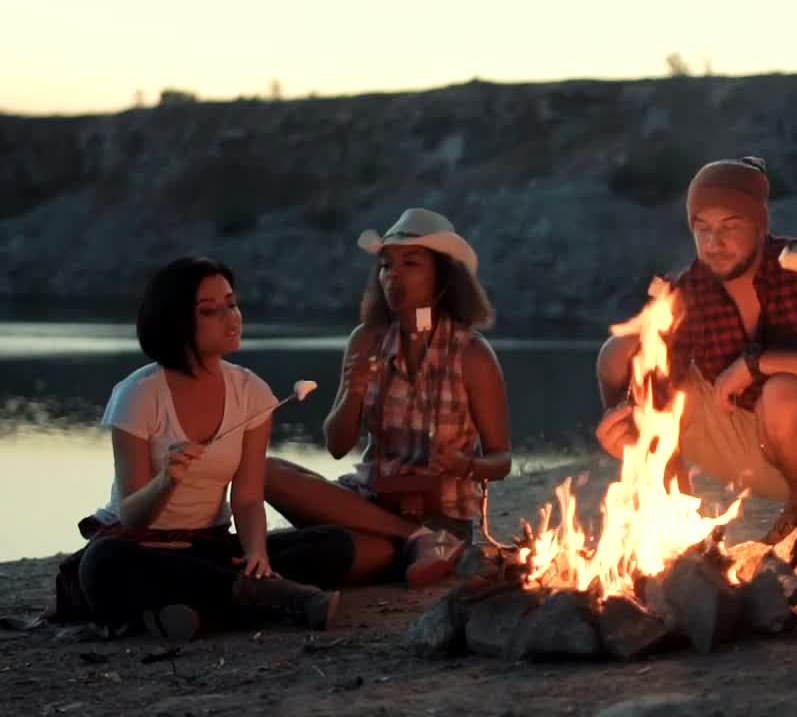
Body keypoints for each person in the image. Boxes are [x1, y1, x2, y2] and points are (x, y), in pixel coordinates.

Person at [595, 156, 797, 553]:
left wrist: (757, 363)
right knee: (623, 350)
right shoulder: (687, 289)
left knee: (781, 392)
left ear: (760, 224)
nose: (714, 244)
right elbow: (650, 379)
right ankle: (669, 523)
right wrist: (630, 422)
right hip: (741, 444)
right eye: (703, 229)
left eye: (730, 227)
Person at [66, 257, 352, 640]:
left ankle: (192, 610)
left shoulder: (251, 391)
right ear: (177, 320)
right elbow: (132, 517)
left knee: (334, 544)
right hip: (142, 548)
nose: (231, 317)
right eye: (210, 310)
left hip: (209, 549)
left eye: (232, 304)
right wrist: (167, 479)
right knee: (102, 564)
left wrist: (257, 556)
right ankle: (266, 598)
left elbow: (248, 498)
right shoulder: (139, 395)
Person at [265, 208, 512, 589]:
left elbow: (501, 459)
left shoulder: (472, 354)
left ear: (444, 276)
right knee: (265, 471)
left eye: (409, 263)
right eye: (385, 266)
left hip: (440, 515)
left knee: (344, 552)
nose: (392, 275)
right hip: (368, 504)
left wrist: (464, 464)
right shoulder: (365, 340)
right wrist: (354, 391)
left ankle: (410, 545)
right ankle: (415, 543)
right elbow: (336, 446)